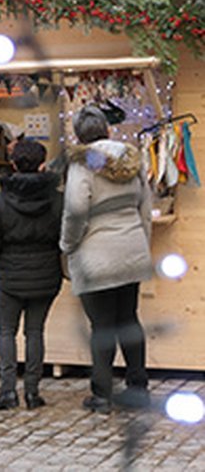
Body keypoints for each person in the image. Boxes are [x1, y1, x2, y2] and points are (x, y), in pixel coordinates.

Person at [62, 106, 153, 414]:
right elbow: (145, 205)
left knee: (101, 326)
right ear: (108, 129)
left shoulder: (82, 164)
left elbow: (75, 210)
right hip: (132, 249)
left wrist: (67, 244)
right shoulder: (132, 159)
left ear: (78, 135)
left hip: (95, 256)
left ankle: (102, 394)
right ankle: (138, 387)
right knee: (129, 319)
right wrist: (142, 242)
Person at [0, 141, 63, 410]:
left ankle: (7, 391)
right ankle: (32, 392)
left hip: (9, 275)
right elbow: (66, 237)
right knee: (35, 332)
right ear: (42, 164)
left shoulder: (1, 200)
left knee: (6, 332)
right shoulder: (57, 199)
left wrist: (0, 264)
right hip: (46, 273)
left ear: (13, 164)